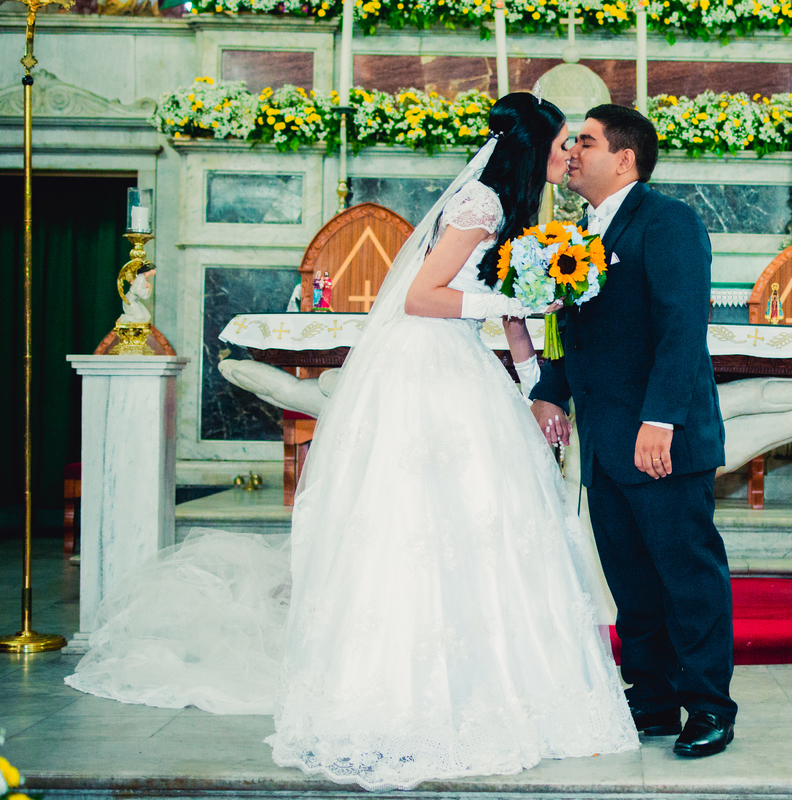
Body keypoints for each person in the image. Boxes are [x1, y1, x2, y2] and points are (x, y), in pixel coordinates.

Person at [65, 93, 638, 790]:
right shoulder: (480, 206)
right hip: (429, 369)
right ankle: (400, 696)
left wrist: (530, 386)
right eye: (558, 147)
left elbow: (512, 302)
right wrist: (513, 303)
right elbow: (421, 296)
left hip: (468, 372)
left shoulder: (517, 213)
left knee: (491, 523)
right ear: (530, 150)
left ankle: (500, 687)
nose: (567, 158)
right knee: (421, 528)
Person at [528, 104, 737, 758]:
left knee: (686, 578)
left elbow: (681, 331)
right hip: (605, 442)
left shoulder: (668, 223)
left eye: (583, 142)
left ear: (623, 158)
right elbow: (567, 327)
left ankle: (708, 706)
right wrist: (548, 391)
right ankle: (651, 697)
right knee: (631, 581)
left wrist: (660, 420)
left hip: (661, 439)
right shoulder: (576, 232)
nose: (570, 152)